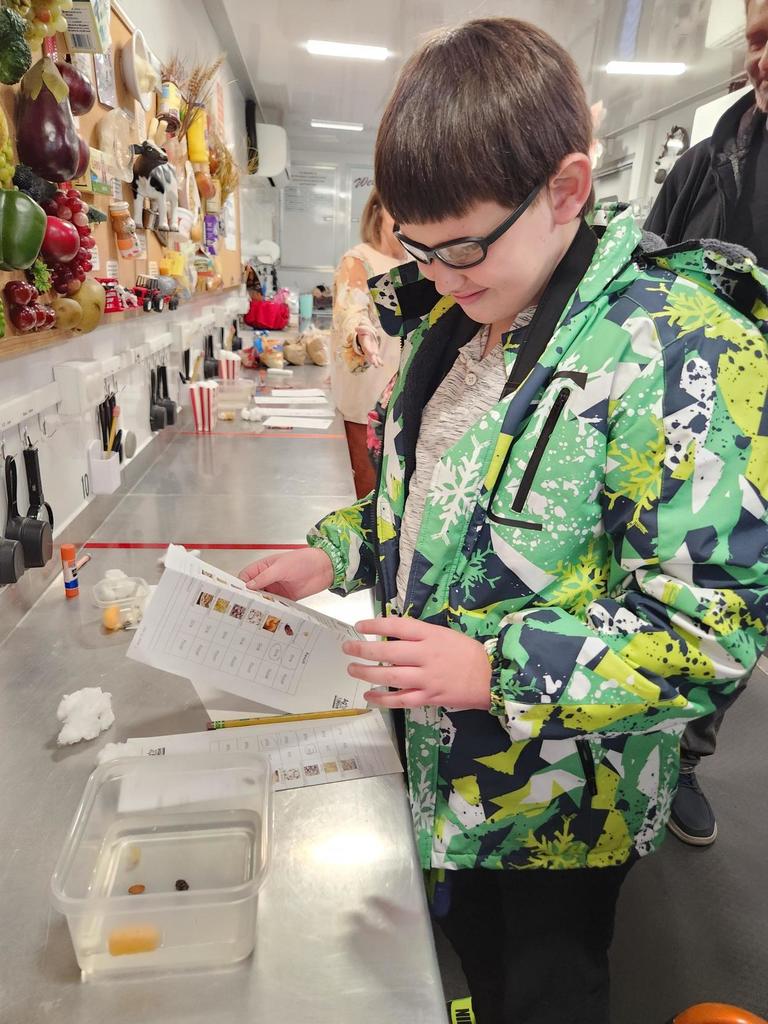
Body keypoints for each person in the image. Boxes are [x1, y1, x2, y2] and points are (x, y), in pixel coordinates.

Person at [241, 18, 768, 1024]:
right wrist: (333, 553)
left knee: (544, 983)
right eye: (418, 248)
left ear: (567, 190)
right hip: (436, 764)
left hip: (559, 809)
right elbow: (429, 501)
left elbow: (711, 635)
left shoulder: (684, 353)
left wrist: (495, 670)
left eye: (464, 247)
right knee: (469, 956)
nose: (441, 277)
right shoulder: (455, 322)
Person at [644, 0, 768, 847]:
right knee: (674, 591)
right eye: (757, 38)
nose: (762, 59)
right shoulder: (707, 162)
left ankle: (685, 757)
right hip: (693, 428)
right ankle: (646, 750)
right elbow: (641, 280)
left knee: (741, 612)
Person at [329, 188, 403, 498]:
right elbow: (351, 310)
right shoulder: (359, 259)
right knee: (369, 495)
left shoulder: (423, 262)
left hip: (405, 398)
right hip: (367, 401)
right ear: (378, 210)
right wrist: (362, 336)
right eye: (398, 208)